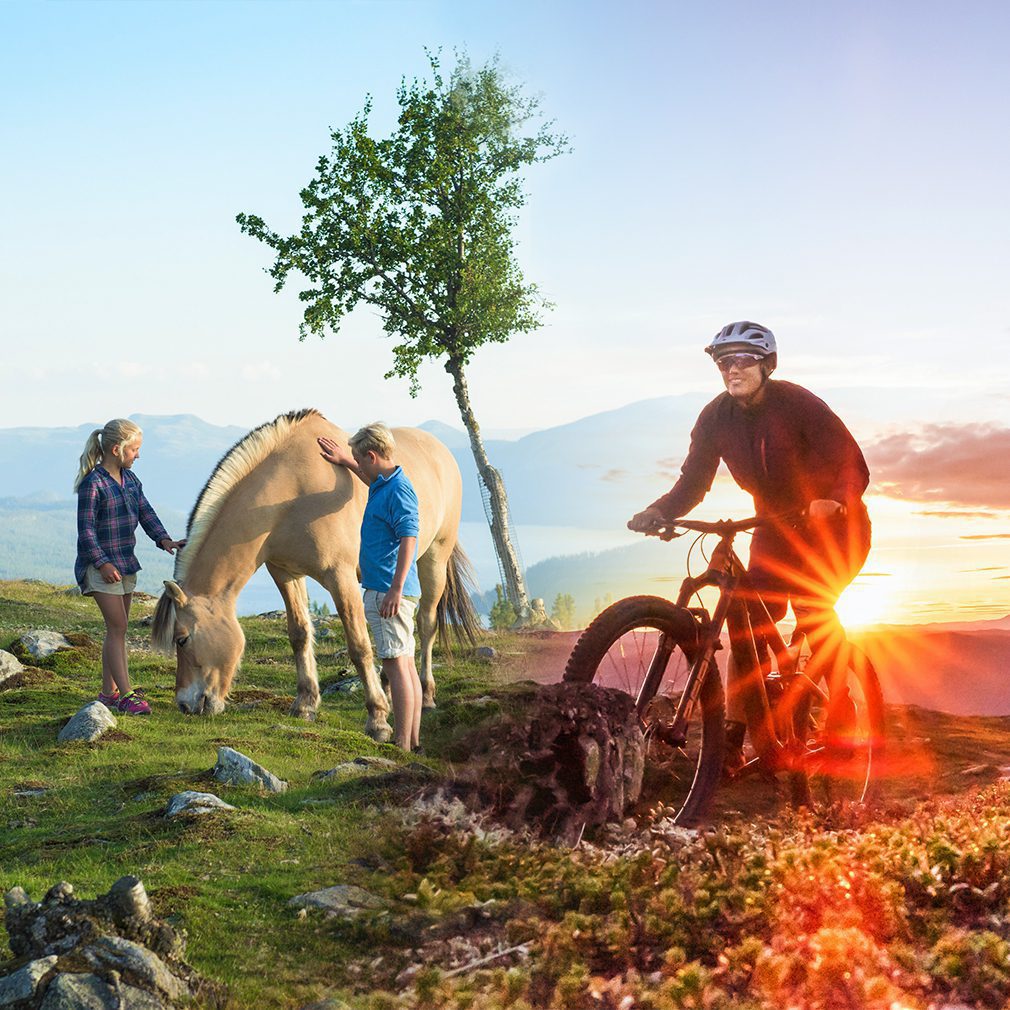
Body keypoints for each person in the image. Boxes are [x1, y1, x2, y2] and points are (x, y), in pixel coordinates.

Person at [627, 321, 871, 771]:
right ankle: (736, 737)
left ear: (767, 365)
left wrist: (834, 500)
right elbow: (693, 481)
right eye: (723, 362)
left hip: (835, 529)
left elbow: (853, 464)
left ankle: (840, 712)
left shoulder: (798, 404)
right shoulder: (716, 417)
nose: (731, 368)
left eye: (742, 360)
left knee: (814, 610)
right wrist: (660, 510)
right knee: (744, 620)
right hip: (774, 529)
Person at [317, 423, 423, 752]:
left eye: (361, 460)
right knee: (405, 663)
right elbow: (370, 478)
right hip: (391, 589)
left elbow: (409, 538)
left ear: (373, 456)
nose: (359, 466)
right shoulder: (385, 483)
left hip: (389, 592)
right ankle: (413, 741)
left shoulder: (398, 490)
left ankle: (402, 744)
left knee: (395, 665)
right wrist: (347, 462)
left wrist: (394, 589)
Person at [74, 418, 184, 714]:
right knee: (118, 627)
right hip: (100, 568)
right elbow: (85, 532)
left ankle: (108, 693)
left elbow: (145, 513)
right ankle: (126, 695)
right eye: (134, 449)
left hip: (125, 565)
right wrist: (102, 563)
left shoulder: (131, 480)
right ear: (116, 449)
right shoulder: (93, 484)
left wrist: (165, 540)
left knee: (117, 631)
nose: (138, 455)